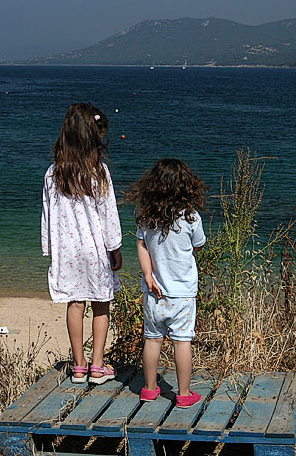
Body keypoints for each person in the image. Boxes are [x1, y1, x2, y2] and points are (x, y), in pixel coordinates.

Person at [41, 103, 122, 385]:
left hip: (67, 251)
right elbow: (108, 215)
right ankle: (97, 365)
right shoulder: (98, 172)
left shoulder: (54, 173)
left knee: (75, 304)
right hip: (95, 249)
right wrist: (115, 248)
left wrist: (49, 249)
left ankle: (78, 365)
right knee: (101, 304)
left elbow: (47, 215)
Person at [126, 159, 207, 408]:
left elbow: (141, 245)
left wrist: (148, 275)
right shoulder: (191, 217)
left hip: (154, 292)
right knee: (182, 342)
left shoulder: (147, 219)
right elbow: (199, 244)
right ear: (185, 187)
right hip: (182, 294)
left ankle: (149, 389)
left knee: (153, 340)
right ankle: (183, 393)